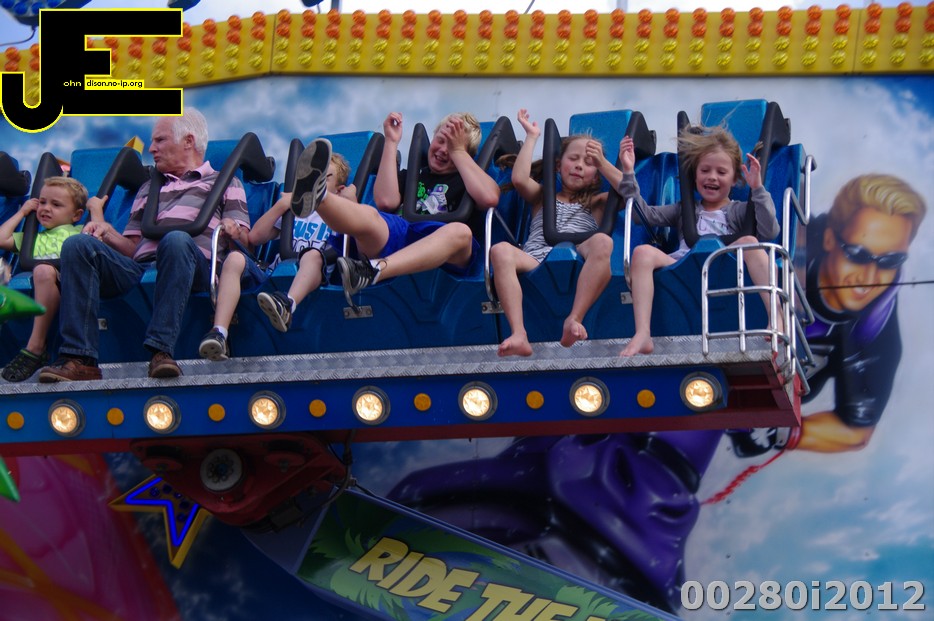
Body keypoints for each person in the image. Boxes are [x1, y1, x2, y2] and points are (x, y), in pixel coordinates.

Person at [37, 107, 251, 381]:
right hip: (143, 267)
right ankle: (80, 358)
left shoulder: (226, 182)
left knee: (176, 240)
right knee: (77, 245)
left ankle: (161, 351)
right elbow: (133, 249)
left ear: (188, 141)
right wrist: (107, 232)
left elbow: (246, 245)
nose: (151, 149)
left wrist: (234, 231)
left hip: (194, 264)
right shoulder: (149, 188)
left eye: (159, 140)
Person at [728, 173, 926, 455]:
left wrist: (782, 433)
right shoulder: (792, 241)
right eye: (857, 254)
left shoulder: (877, 334)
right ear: (830, 239)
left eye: (890, 261)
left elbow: (856, 430)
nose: (868, 277)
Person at [289, 111, 500, 305]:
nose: (444, 150)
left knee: (460, 232)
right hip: (401, 236)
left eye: (452, 146)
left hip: (443, 248)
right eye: (441, 140)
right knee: (371, 215)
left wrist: (458, 151)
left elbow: (490, 197)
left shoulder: (468, 178)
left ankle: (373, 270)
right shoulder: (413, 175)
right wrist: (391, 141)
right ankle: (320, 196)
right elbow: (385, 201)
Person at [618, 125, 780, 357]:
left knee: (750, 241)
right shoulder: (685, 210)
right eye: (705, 170)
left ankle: (776, 315)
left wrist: (757, 189)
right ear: (694, 176)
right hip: (686, 263)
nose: (712, 176)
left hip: (723, 264)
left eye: (721, 172)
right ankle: (643, 332)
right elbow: (641, 215)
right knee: (642, 252)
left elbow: (770, 231)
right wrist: (628, 172)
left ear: (735, 178)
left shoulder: (739, 210)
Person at [198, 150, 356, 360]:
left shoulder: (341, 213)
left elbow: (356, 228)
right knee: (234, 259)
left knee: (312, 255)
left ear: (339, 189)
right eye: (311, 177)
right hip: (273, 277)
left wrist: (350, 201)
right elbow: (255, 237)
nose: (315, 183)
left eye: (324, 179)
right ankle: (219, 333)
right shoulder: (297, 211)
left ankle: (287, 304)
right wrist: (282, 205)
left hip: (316, 275)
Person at [491, 108, 620, 357]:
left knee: (603, 242)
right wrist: (532, 137)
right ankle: (518, 333)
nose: (579, 165)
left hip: (578, 255)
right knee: (500, 251)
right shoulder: (543, 196)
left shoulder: (597, 203)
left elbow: (628, 190)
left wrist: (603, 164)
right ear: (559, 166)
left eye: (589, 163)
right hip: (536, 256)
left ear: (596, 177)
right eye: (574, 159)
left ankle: (574, 318)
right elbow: (519, 179)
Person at [0, 176, 93, 381]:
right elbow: (1, 238)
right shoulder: (33, 239)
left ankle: (36, 347)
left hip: (71, 284)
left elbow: (98, 243)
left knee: (43, 270)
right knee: (41, 271)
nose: (45, 208)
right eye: (42, 202)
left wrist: (96, 212)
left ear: (77, 215)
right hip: (44, 284)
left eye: (56, 204)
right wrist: (23, 212)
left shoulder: (79, 233)